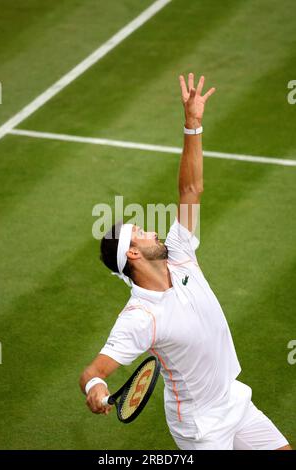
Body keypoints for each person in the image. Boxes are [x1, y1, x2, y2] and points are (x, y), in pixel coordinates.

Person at [79, 73, 291, 450]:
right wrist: (96, 388)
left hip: (234, 400)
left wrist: (193, 123)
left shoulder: (180, 251)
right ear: (132, 253)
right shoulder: (140, 316)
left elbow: (190, 188)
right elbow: (93, 371)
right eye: (141, 232)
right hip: (201, 426)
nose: (152, 232)